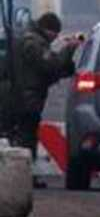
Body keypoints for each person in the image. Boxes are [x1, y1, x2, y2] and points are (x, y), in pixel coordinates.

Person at [14, 12, 79, 188]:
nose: (55, 38)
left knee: (27, 138)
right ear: (47, 29)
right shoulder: (33, 42)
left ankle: (26, 177)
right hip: (26, 99)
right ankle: (24, 178)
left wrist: (67, 62)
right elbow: (50, 65)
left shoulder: (33, 40)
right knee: (26, 140)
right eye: (55, 34)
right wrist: (68, 49)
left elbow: (52, 70)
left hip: (28, 98)